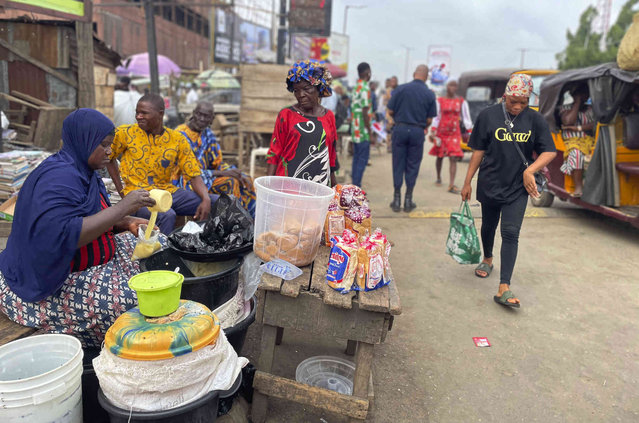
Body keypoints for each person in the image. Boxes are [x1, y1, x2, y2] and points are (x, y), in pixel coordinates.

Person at [0, 109, 157, 347]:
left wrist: (125, 222)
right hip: (55, 279)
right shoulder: (58, 178)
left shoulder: (85, 172)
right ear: (83, 140)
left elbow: (90, 215)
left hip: (93, 259)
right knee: (133, 305)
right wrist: (124, 207)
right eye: (103, 144)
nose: (109, 151)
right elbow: (62, 235)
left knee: (158, 245)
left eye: (110, 144)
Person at [460, 74, 557, 308]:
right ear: (505, 96)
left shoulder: (535, 119)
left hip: (518, 188)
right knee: (489, 226)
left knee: (511, 233)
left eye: (523, 102)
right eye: (514, 101)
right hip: (490, 183)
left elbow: (549, 151)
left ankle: (504, 286)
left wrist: (530, 171)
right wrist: (467, 181)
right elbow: (478, 151)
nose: (518, 106)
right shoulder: (488, 116)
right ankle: (487, 258)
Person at [107, 93, 218, 235]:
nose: (138, 116)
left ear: (160, 114)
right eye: (137, 112)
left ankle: (213, 248)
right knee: (167, 215)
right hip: (140, 197)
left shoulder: (177, 139)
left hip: (168, 193)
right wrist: (122, 191)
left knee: (219, 202)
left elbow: (193, 174)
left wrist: (206, 198)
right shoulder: (125, 133)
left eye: (144, 113)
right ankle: (160, 256)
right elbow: (109, 157)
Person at [174, 101, 256, 216]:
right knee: (230, 182)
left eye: (206, 116)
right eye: (199, 114)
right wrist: (224, 173)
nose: (202, 119)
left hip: (206, 177)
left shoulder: (208, 134)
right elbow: (189, 172)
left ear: (211, 119)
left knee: (244, 179)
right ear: (193, 113)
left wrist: (234, 171)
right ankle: (232, 220)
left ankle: (247, 219)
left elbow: (216, 162)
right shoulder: (180, 135)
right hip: (186, 181)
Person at [266, 59, 338, 186]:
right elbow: (274, 154)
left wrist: (335, 189)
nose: (301, 95)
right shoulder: (286, 115)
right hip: (287, 187)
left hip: (318, 187)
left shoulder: (329, 117)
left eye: (306, 89)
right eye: (296, 90)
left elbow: (331, 157)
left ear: (318, 87)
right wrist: (267, 188)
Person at [387, 65, 438, 212]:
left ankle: (396, 200)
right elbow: (429, 120)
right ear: (426, 77)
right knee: (413, 165)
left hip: (400, 129)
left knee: (398, 164)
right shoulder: (429, 94)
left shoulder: (401, 89)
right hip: (417, 131)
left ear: (414, 73)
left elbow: (390, 110)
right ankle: (408, 200)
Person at [428, 80, 473, 193]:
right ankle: (438, 177)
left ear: (456, 88)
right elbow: (436, 116)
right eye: (450, 85)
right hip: (441, 132)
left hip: (454, 133)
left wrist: (470, 132)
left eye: (454, 86)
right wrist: (433, 129)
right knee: (440, 156)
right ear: (447, 87)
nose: (452, 88)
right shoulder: (440, 101)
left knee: (453, 157)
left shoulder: (461, 101)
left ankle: (451, 184)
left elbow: (466, 118)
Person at [559, 84, 595, 198]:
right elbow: (568, 122)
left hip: (587, 139)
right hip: (571, 141)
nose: (583, 96)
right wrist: (577, 103)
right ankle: (578, 186)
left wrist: (577, 128)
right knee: (576, 153)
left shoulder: (590, 109)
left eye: (584, 94)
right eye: (579, 94)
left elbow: (593, 125)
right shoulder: (565, 108)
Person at [351, 62, 373, 187]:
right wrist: (369, 130)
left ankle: (354, 185)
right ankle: (357, 187)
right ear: (366, 73)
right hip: (363, 130)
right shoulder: (365, 88)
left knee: (356, 158)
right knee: (362, 160)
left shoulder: (356, 87)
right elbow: (365, 111)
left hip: (355, 128)